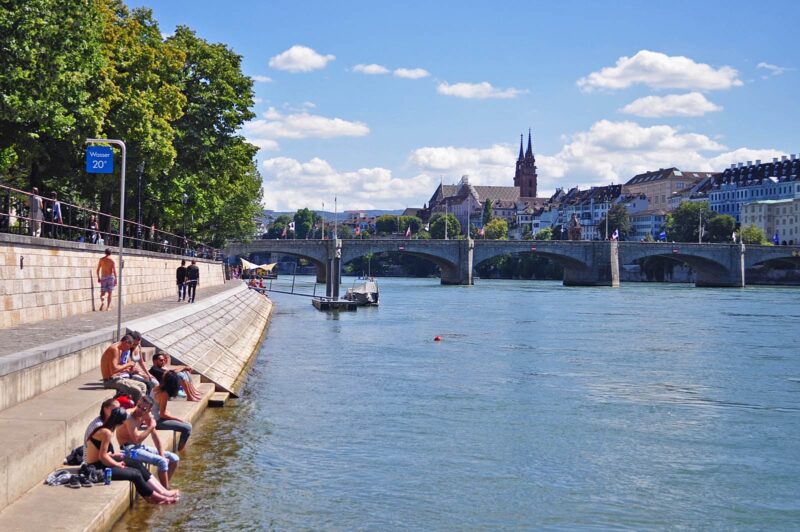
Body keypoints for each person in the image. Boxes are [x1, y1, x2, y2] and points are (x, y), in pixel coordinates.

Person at [84, 406, 179, 504]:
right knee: (135, 474)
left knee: (136, 463)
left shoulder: (107, 428)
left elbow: (101, 453)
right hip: (97, 468)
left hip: (102, 463)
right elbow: (102, 457)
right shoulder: (106, 432)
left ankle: (163, 491)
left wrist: (114, 455)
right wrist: (117, 464)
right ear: (120, 422)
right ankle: (158, 498)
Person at [116, 395, 179, 490]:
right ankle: (166, 491)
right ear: (137, 403)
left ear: (149, 410)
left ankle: (163, 487)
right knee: (162, 462)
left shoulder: (146, 415)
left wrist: (162, 454)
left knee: (174, 458)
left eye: (144, 408)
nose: (140, 410)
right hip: (128, 449)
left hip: (138, 447)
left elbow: (155, 437)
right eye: (139, 406)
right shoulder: (129, 417)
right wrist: (150, 427)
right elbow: (136, 439)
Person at [152, 371, 192, 451]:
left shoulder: (157, 387)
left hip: (153, 418)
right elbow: (162, 414)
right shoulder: (164, 394)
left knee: (185, 424)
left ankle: (181, 448)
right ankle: (180, 450)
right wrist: (178, 419)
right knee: (187, 427)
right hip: (157, 421)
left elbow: (159, 409)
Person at [100, 334, 147, 401]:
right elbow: (114, 370)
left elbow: (115, 367)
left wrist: (126, 369)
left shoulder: (118, 348)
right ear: (125, 342)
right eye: (128, 347)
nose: (127, 350)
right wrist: (128, 364)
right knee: (137, 390)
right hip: (110, 381)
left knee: (143, 385)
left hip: (117, 378)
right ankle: (136, 409)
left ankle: (141, 405)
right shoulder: (114, 349)